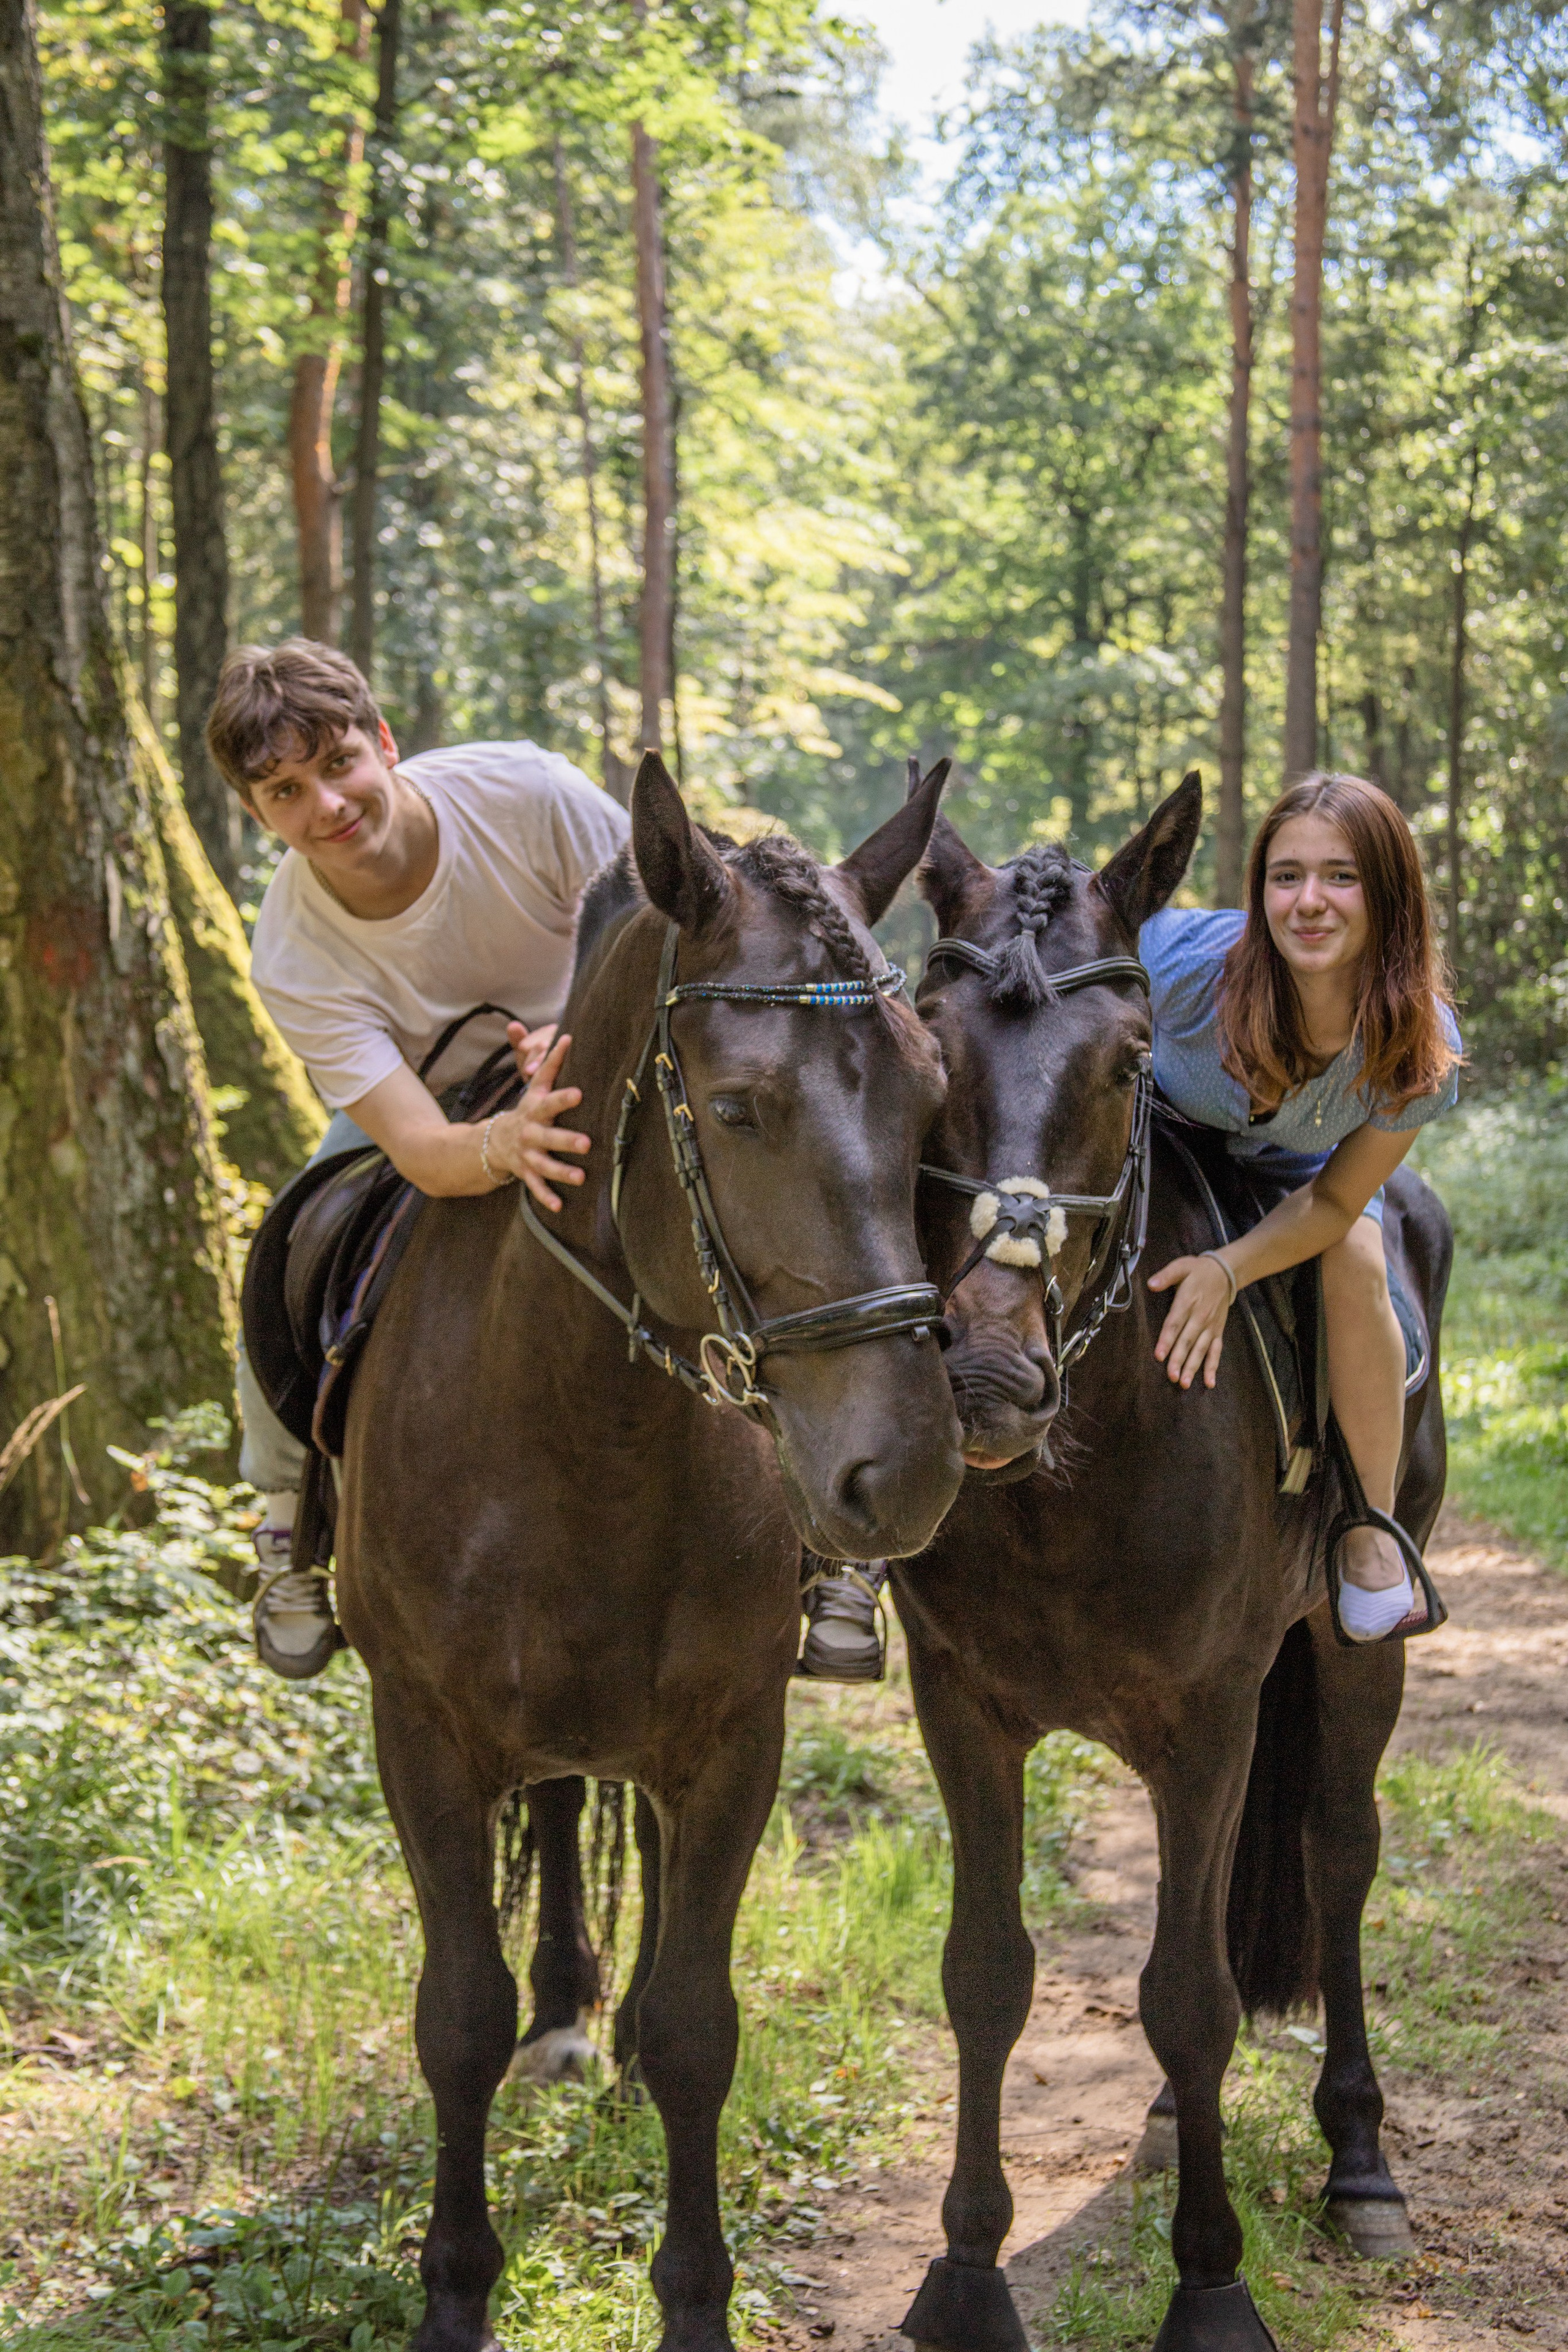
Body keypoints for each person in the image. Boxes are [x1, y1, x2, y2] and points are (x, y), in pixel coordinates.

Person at [209, 639, 629, 1678]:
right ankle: (287, 1518)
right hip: (436, 1103)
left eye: (338, 762)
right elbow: (427, 1151)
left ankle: (836, 1543)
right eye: (285, 791)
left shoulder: (529, 792)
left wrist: (580, 1034)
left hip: (607, 1042)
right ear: (260, 817)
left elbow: (655, 928)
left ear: (385, 742)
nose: (328, 805)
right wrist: (506, 1139)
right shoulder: (293, 953)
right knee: (293, 1233)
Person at [1142, 771, 1462, 1640]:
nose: (1308, 903)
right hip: (1153, 1134)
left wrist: (1226, 1268)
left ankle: (1370, 1530)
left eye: (1341, 876)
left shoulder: (1420, 1043)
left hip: (1297, 1173)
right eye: (1286, 877)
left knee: (1360, 1253)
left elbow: (1337, 1199)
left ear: (1389, 894)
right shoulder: (1179, 963)